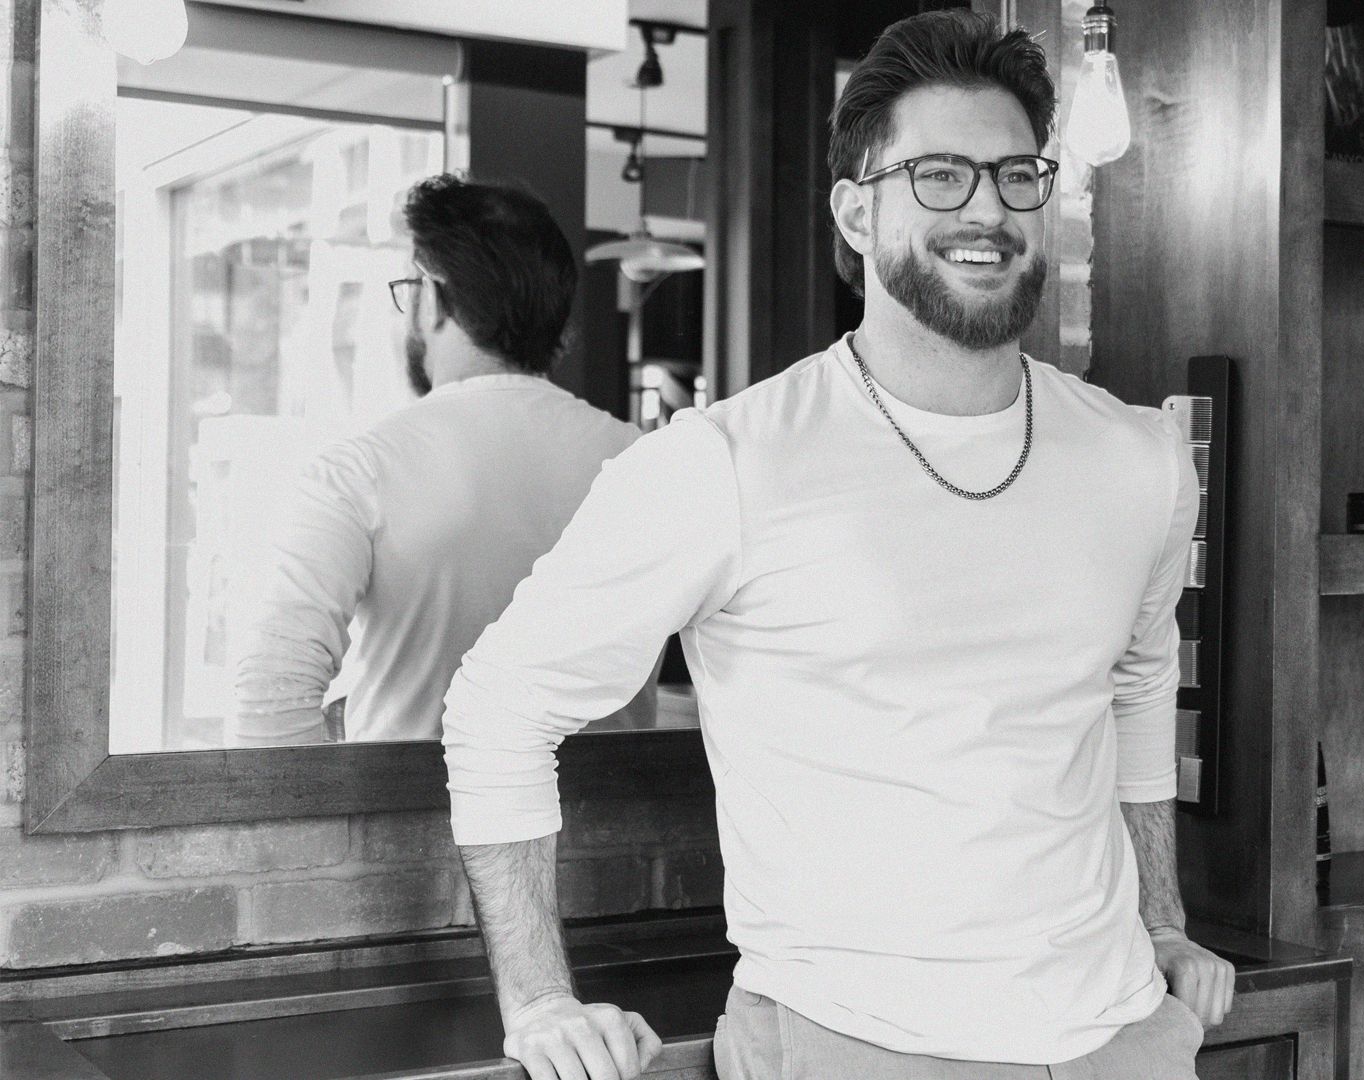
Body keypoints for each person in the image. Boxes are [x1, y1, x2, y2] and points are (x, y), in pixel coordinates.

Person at [441, 11, 1231, 1080]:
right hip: (853, 1045)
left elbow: (1137, 686)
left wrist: (1167, 921)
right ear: (856, 212)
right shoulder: (724, 465)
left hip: (1124, 1040)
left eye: (1015, 175)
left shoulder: (1141, 459)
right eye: (941, 176)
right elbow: (500, 706)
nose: (988, 210)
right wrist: (538, 1001)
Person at [229, 175, 642, 746]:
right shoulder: (642, 462)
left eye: (409, 288)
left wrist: (329, 830)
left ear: (435, 296)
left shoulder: (363, 469)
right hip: (614, 824)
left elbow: (269, 699)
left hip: (408, 825)